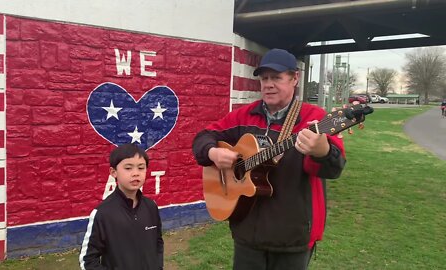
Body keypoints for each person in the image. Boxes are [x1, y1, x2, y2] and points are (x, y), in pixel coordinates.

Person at [192, 48, 346, 270]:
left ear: (295, 79)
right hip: (247, 232)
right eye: (264, 78)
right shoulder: (243, 116)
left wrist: (323, 151)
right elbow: (203, 137)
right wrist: (212, 153)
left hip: (291, 236)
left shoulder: (315, 119)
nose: (268, 84)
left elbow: (334, 169)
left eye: (276, 77)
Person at [79, 143, 164, 270]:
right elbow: (88, 260)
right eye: (128, 168)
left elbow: (157, 243)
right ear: (113, 172)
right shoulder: (103, 213)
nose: (136, 173)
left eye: (141, 168)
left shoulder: (151, 207)